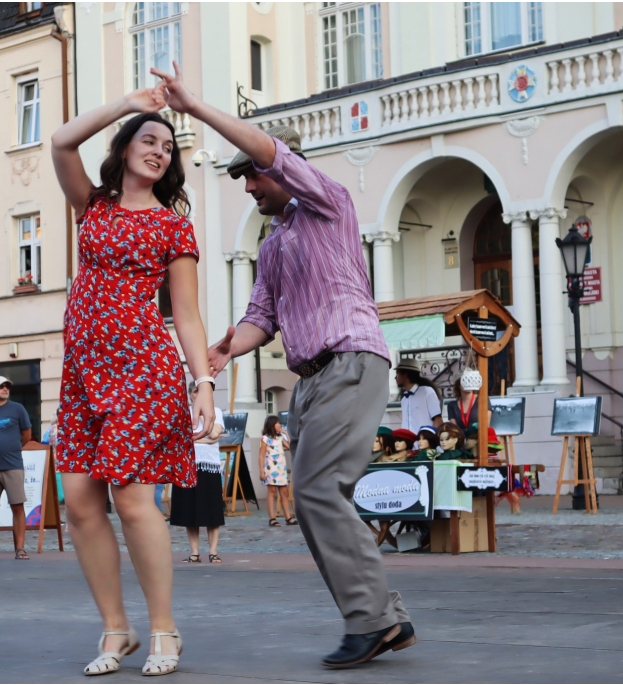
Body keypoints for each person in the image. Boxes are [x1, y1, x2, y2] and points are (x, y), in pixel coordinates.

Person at [155, 62, 414, 667]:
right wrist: (225, 349)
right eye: (242, 180)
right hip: (312, 380)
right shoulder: (272, 244)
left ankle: (373, 619)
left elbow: (268, 149)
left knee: (319, 489)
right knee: (315, 498)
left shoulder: (329, 202)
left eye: (253, 177)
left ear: (280, 169)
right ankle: (380, 616)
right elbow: (261, 316)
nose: (247, 187)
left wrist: (194, 109)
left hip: (351, 358)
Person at [50, 83, 216, 676]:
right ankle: (116, 630)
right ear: (123, 148)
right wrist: (130, 104)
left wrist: (203, 383)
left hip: (142, 370)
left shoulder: (174, 228)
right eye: (149, 140)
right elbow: (61, 140)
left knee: (132, 499)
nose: (160, 151)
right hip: (81, 375)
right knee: (80, 506)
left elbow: (188, 315)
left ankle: (164, 630)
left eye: (168, 148)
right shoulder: (90, 205)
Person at [171, 382, 226, 563]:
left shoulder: (215, 411)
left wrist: (201, 426)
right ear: (190, 394)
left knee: (213, 510)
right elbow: (182, 439)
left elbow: (214, 434)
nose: (199, 395)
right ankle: (194, 552)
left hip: (209, 464)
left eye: (204, 391)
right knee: (190, 511)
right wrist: (207, 437)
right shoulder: (184, 412)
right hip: (188, 466)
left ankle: (213, 551)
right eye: (196, 391)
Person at [0, 376, 32, 560]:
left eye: (7, 387)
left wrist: (11, 449)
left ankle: (20, 548)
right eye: (1, 386)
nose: (5, 389)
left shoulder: (17, 409)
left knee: (18, 506)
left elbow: (26, 435)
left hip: (13, 466)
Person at [260, 415, 296, 527]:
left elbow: (290, 447)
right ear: (272, 425)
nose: (279, 425)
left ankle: (288, 517)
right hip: (271, 469)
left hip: (281, 469)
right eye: (277, 423)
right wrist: (261, 471)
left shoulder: (280, 437)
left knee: (284, 492)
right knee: (271, 492)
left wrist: (286, 434)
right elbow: (261, 455)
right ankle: (272, 518)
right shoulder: (265, 438)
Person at [396, 361, 442, 431]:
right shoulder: (404, 399)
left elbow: (438, 419)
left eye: (398, 373)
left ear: (405, 375)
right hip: (408, 441)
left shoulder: (427, 392)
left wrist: (431, 438)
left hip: (424, 440)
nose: (395, 377)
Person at [447, 368, 482, 439]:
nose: (469, 384)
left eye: (471, 381)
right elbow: (455, 429)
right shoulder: (452, 405)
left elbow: (486, 425)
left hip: (479, 440)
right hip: (461, 441)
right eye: (465, 381)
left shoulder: (482, 400)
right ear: (458, 384)